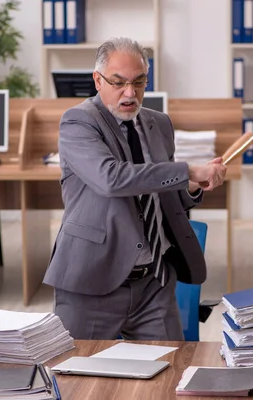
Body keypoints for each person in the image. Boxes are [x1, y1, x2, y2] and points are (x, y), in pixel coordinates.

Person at [43, 37, 227, 341]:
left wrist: (192, 185)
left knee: (168, 374)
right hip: (93, 279)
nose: (131, 93)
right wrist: (187, 170)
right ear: (97, 80)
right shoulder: (78, 122)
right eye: (119, 83)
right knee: (80, 381)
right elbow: (111, 178)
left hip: (154, 281)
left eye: (139, 82)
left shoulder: (159, 123)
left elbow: (163, 193)